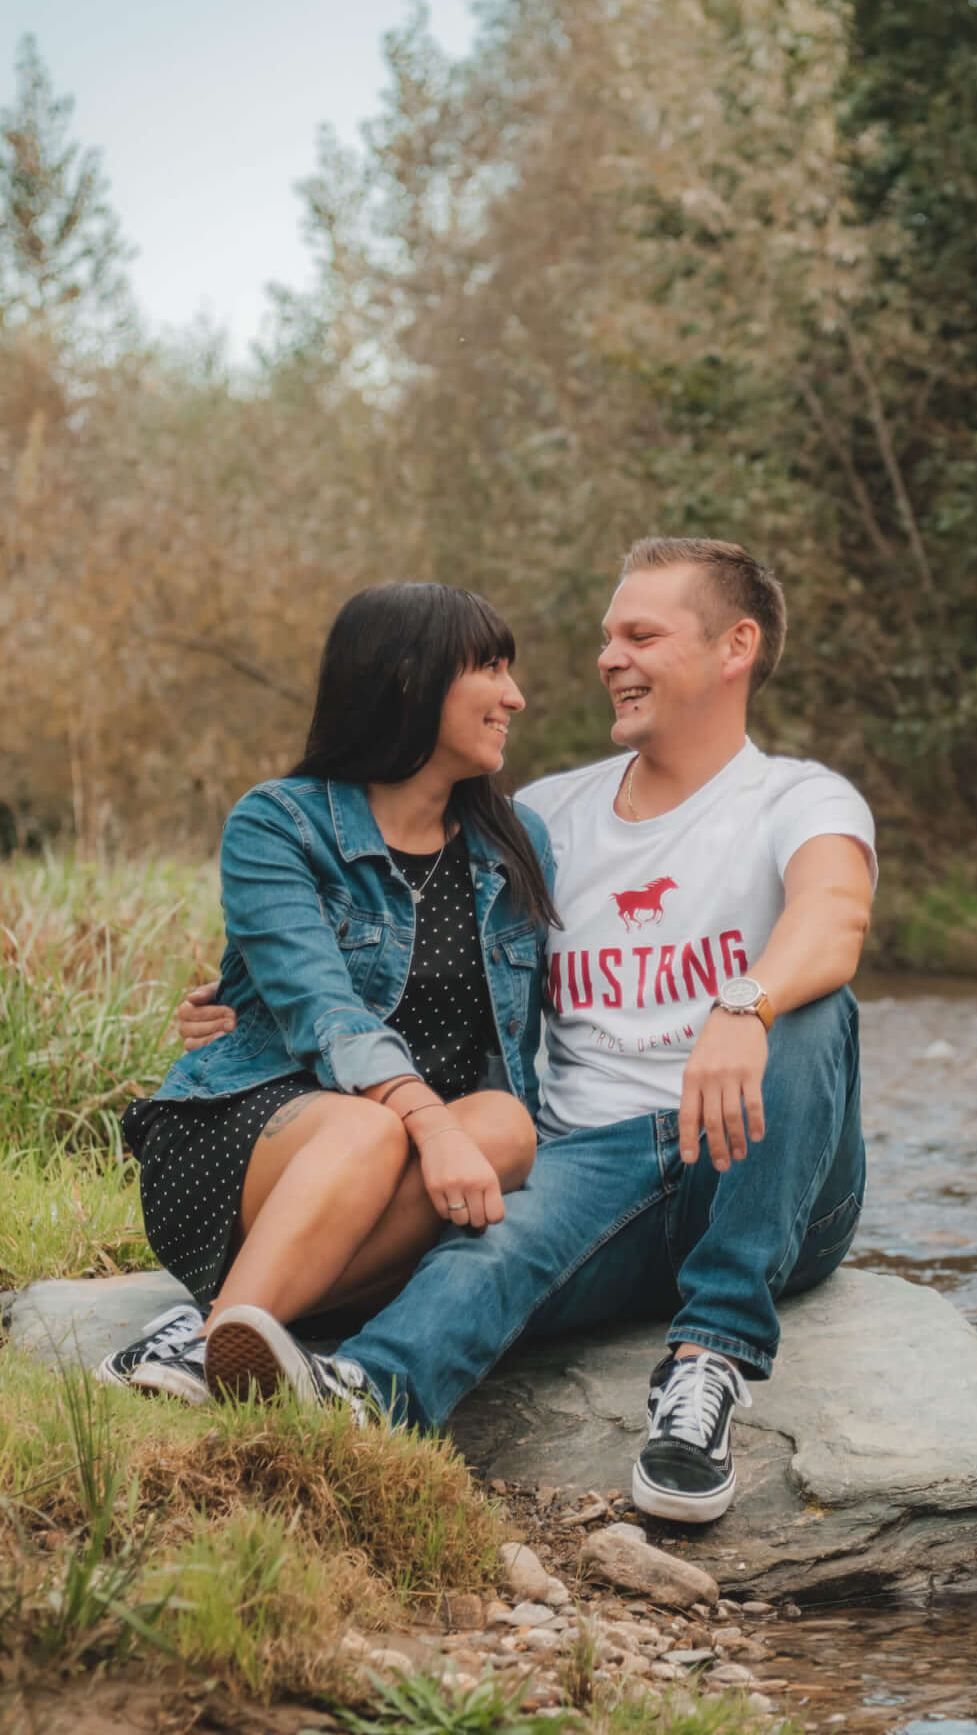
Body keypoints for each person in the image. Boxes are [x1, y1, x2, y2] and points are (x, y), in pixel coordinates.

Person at [173, 537, 874, 1522]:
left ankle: (706, 1368)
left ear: (735, 646)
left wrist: (744, 1001)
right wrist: (243, 1000)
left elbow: (833, 920)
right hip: (593, 1160)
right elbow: (416, 960)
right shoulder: (537, 821)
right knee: (492, 1239)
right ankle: (363, 1400)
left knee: (813, 1006)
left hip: (766, 1161)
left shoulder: (800, 796)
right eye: (604, 636)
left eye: (639, 633)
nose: (606, 657)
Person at [99, 582, 554, 1408]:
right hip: (247, 1133)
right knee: (373, 1125)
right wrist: (423, 1118)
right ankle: (214, 1341)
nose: (514, 697)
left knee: (507, 1126)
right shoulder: (279, 822)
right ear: (410, 681)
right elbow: (322, 1009)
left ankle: (229, 1326)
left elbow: (553, 1020)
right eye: (490, 668)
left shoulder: (516, 846)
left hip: (405, 1169)